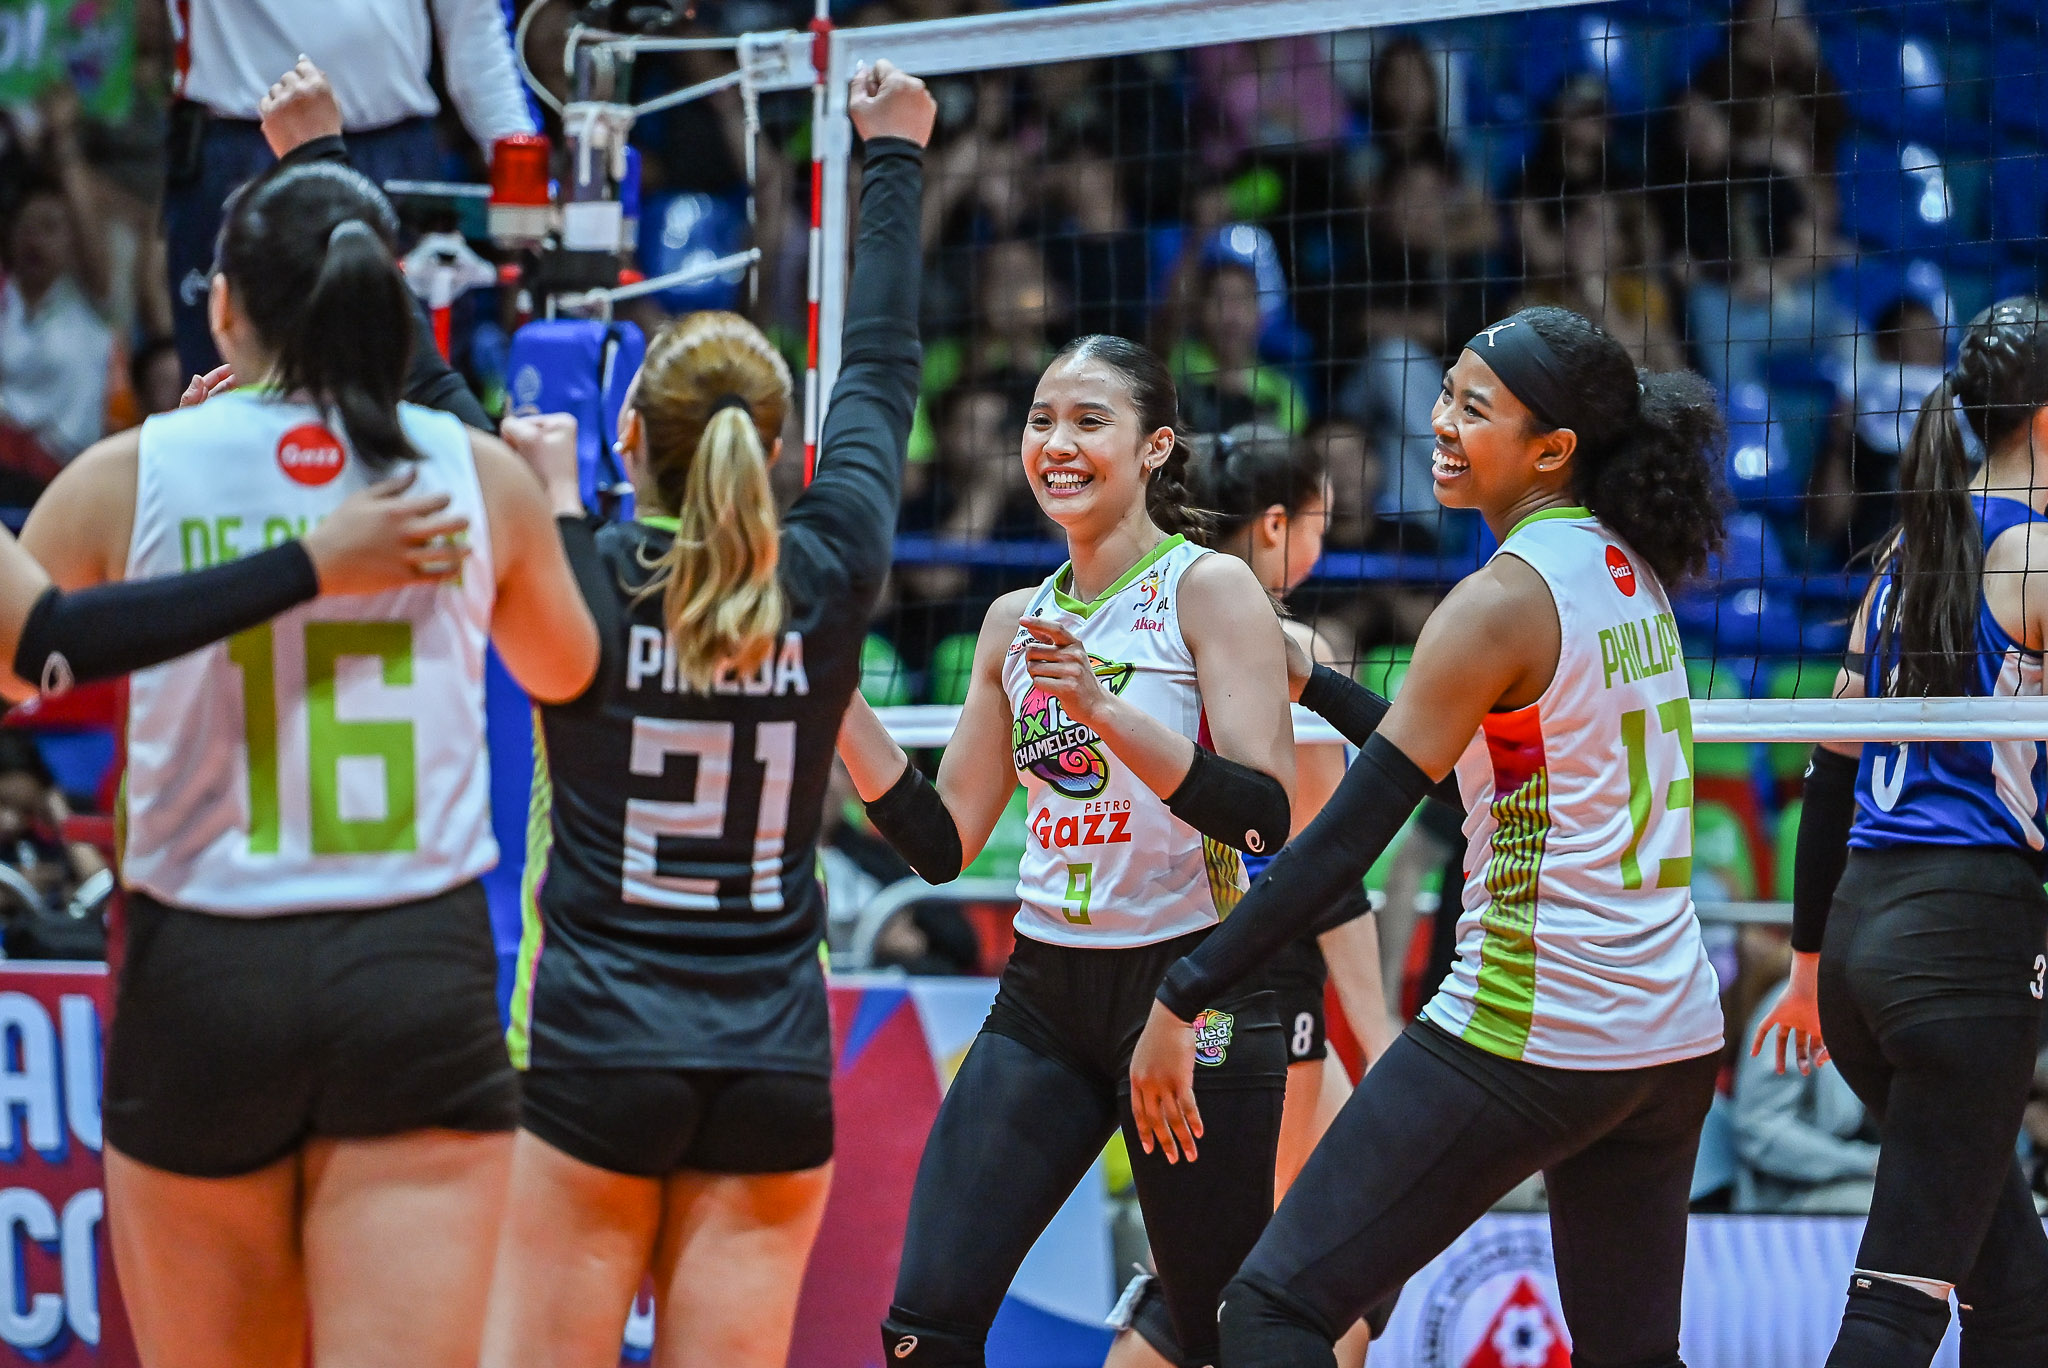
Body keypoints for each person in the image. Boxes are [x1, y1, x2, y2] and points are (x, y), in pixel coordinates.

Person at [20, 158, 599, 1368]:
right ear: (389, 297)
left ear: (225, 306)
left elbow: (23, 661)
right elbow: (562, 672)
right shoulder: (472, 473)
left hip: (207, 972)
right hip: (411, 972)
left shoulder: (138, 471)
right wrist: (541, 509)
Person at [1129, 304, 1731, 1368]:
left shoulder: (1496, 602)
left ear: (1551, 449)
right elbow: (1463, 772)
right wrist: (1317, 681)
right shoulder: (1624, 568)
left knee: (1265, 1310)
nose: (1440, 421)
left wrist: (1184, 991)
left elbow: (1340, 842)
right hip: (1668, 1034)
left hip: (1534, 1023)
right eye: (1448, 392)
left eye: (1474, 408)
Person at [476, 62, 934, 1368]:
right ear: (779, 451)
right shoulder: (829, 570)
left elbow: (431, 407)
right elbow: (880, 368)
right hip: (773, 1068)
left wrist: (316, 159)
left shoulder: (581, 576)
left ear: (628, 433)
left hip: (597, 1053)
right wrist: (893, 156)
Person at [837, 334, 1297, 1368]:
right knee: (922, 1328)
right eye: (1041, 420)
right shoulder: (1014, 621)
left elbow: (1264, 817)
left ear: (1154, 447)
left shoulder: (1209, 589)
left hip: (1190, 988)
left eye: (1090, 421)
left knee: (1215, 1336)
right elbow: (943, 843)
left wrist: (1102, 708)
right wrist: (839, 701)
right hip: (1045, 996)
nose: (1056, 442)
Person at [1753, 297, 2048, 1367]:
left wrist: (1804, 967)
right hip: (1962, 948)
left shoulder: (1901, 559)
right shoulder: (2034, 558)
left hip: (1856, 948)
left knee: (2017, 1293)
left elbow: (1828, 770)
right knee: (1901, 1296)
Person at [1111, 424, 1398, 1368]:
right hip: (1263, 980)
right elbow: (1322, 866)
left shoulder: (1149, 621)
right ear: (1275, 525)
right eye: (1318, 523)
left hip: (1173, 961)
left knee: (1287, 1261)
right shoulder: (1287, 645)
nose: (1321, 543)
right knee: (1257, 1277)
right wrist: (1379, 1031)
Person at [164, 2, 535, 375]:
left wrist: (523, 172)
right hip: (245, 143)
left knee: (415, 371)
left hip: (394, 149)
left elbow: (474, 28)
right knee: (230, 373)